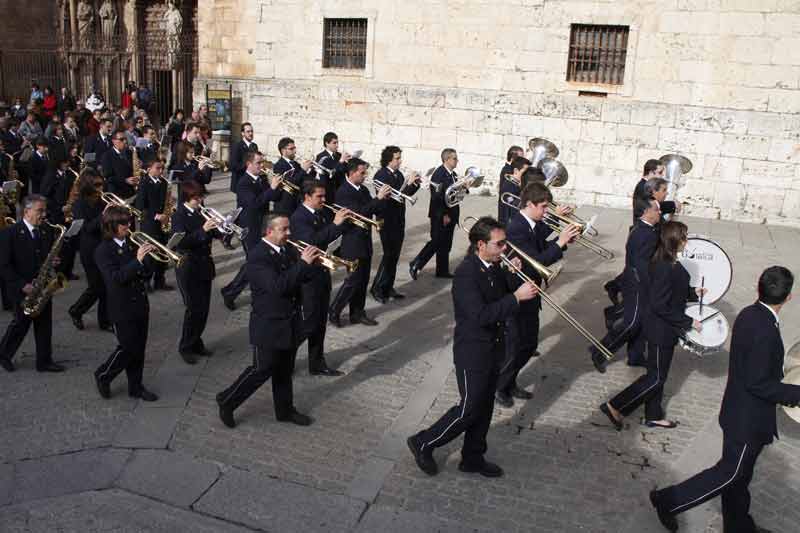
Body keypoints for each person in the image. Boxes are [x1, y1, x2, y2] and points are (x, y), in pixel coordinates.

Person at [649, 266, 797, 533]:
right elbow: (758, 384)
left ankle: (739, 526)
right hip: (747, 420)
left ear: (757, 288)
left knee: (739, 477)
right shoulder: (765, 329)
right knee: (729, 474)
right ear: (789, 298)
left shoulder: (749, 313)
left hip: (737, 411)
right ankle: (667, 501)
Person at [407, 217, 537, 477]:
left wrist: (512, 279)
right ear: (481, 244)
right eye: (499, 244)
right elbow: (480, 315)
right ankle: (424, 441)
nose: (505, 249)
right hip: (472, 352)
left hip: (493, 349)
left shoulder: (495, 266)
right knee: (469, 409)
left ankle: (473, 457)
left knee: (485, 407)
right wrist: (515, 297)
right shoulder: (466, 274)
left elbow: (501, 295)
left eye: (505, 244)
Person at [216, 214, 321, 428]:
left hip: (289, 321)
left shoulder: (287, 250)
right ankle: (227, 402)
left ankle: (285, 411)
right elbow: (277, 287)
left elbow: (297, 280)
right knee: (261, 370)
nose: (289, 233)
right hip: (269, 324)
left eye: (289, 228)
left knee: (284, 369)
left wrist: (313, 266)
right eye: (284, 229)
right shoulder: (257, 257)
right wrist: (302, 264)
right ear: (269, 231)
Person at [600, 221, 703, 433]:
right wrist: (688, 322)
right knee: (656, 377)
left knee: (658, 374)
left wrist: (694, 293)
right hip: (660, 330)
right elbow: (658, 304)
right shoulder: (665, 266)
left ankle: (653, 415)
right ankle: (615, 406)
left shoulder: (669, 261)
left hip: (665, 329)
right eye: (684, 237)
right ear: (676, 240)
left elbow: (673, 290)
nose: (687, 241)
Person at [495, 183, 579, 408]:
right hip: (516, 294)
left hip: (531, 291)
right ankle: (500, 386)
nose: (545, 211)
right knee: (513, 347)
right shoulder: (516, 227)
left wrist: (561, 233)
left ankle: (509, 381)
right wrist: (560, 242)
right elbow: (537, 262)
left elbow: (542, 242)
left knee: (529, 344)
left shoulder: (532, 222)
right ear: (529, 204)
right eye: (543, 207)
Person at [93, 205, 158, 402]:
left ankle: (135, 386)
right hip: (121, 306)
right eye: (123, 223)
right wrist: (137, 261)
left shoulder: (131, 243)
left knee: (140, 348)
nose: (127, 226)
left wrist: (148, 260)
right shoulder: (103, 251)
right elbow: (116, 278)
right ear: (111, 225)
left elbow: (145, 274)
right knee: (127, 348)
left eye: (129, 221)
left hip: (140, 303)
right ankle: (103, 375)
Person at [590, 197, 663, 372]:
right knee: (631, 323)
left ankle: (636, 356)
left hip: (639, 281)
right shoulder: (642, 234)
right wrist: (651, 285)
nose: (660, 212)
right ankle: (599, 351)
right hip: (638, 284)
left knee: (642, 321)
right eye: (657, 209)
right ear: (646, 212)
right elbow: (640, 265)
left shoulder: (647, 228)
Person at [290, 181, 351, 375]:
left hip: (322, 274)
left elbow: (329, 238)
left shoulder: (320, 213)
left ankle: (316, 363)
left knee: (319, 324)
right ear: (307, 197)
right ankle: (284, 358)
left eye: (324, 196)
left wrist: (342, 225)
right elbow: (312, 242)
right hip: (308, 278)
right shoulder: (299, 217)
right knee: (309, 324)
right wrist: (335, 224)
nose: (324, 200)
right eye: (319, 197)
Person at [0, 195, 65, 373]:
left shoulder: (44, 230)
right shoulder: (9, 233)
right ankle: (4, 354)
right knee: (20, 324)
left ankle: (44, 361)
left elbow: (44, 255)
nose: (43, 214)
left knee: (45, 325)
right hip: (22, 288)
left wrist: (52, 261)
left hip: (42, 285)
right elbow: (4, 265)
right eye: (40, 210)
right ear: (26, 211)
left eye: (44, 210)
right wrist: (22, 285)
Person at [328, 158, 390, 327]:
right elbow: (358, 214)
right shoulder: (343, 192)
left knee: (363, 280)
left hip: (365, 240)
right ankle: (334, 310)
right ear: (352, 172)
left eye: (365, 172)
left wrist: (382, 200)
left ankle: (357, 313)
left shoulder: (362, 189)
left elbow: (372, 209)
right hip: (352, 243)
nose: (365, 176)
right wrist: (377, 199)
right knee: (353, 280)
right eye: (362, 173)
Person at [220, 151, 282, 309]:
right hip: (249, 227)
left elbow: (271, 198)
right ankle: (231, 292)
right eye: (259, 163)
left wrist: (277, 187)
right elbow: (254, 203)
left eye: (262, 163)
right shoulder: (243, 183)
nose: (262, 166)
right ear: (249, 164)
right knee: (254, 262)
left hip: (262, 223)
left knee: (254, 262)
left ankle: (230, 290)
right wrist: (271, 189)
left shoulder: (260, 178)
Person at [171, 180, 220, 364]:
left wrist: (223, 228)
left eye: (201, 197)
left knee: (204, 309)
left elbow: (212, 233)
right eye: (197, 198)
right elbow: (180, 242)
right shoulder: (179, 216)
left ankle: (196, 341)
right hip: (189, 266)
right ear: (188, 197)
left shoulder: (201, 212)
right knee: (193, 309)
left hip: (204, 265)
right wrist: (203, 230)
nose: (200, 201)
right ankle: (185, 346)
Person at [369, 145, 420, 303]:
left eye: (399, 157)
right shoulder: (381, 175)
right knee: (388, 255)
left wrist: (415, 184)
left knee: (395, 256)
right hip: (386, 219)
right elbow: (394, 196)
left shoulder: (397, 174)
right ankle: (376, 288)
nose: (400, 161)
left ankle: (388, 287)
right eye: (397, 158)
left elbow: (404, 195)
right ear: (388, 159)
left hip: (398, 219)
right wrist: (407, 183)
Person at [68, 170, 112, 332]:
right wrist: (104, 214)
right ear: (88, 185)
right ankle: (76, 310)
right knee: (96, 286)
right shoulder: (79, 204)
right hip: (89, 248)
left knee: (106, 285)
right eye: (97, 185)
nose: (101, 188)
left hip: (104, 245)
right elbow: (87, 228)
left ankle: (105, 321)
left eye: (102, 184)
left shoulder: (101, 200)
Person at [409, 148, 460, 280]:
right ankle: (416, 263)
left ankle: (442, 270)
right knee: (436, 241)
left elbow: (455, 193)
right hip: (440, 215)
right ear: (447, 159)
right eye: (454, 158)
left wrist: (464, 187)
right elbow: (437, 197)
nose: (457, 161)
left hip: (451, 213)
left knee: (446, 243)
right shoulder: (439, 174)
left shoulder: (452, 174)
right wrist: (444, 215)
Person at [134, 159, 173, 292]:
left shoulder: (163, 183)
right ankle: (145, 281)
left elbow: (166, 202)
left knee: (162, 251)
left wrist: (168, 212)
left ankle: (160, 280)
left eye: (162, 168)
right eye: (158, 168)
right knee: (150, 254)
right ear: (149, 169)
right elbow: (140, 206)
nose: (161, 171)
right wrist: (155, 215)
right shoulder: (144, 183)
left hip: (162, 222)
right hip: (149, 223)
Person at [40, 157, 78, 280]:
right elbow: (45, 197)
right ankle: (59, 272)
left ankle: (68, 271)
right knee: (59, 245)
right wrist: (60, 208)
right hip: (56, 215)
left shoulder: (68, 174)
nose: (67, 164)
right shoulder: (50, 176)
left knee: (70, 243)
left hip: (69, 212)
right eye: (64, 161)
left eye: (67, 161)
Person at [273, 137, 312, 215]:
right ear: (283, 151)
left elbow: (305, 179)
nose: (294, 151)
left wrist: (313, 170)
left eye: (294, 148)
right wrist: (303, 170)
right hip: (285, 205)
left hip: (296, 203)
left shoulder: (295, 164)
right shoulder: (279, 165)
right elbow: (290, 183)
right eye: (291, 149)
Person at [314, 131, 350, 206]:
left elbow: (346, 171)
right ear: (327, 143)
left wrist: (350, 162)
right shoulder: (321, 157)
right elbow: (330, 174)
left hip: (340, 191)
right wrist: (341, 161)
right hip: (329, 192)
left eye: (337, 143)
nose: (337, 145)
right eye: (334, 143)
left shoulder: (338, 155)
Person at [101, 130, 138, 199]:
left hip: (130, 192)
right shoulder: (107, 156)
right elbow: (108, 177)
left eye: (125, 139)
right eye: (121, 139)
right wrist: (125, 180)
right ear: (113, 141)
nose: (125, 142)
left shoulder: (129, 153)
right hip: (117, 193)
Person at [228, 122, 257, 194]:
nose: (250, 133)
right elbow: (233, 166)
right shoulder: (237, 146)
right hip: (240, 182)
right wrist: (247, 164)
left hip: (251, 182)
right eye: (248, 131)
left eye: (252, 131)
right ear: (242, 133)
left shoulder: (254, 146)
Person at [497, 146, 524, 224]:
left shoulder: (511, 169)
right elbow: (509, 193)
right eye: (521, 158)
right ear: (513, 158)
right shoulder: (507, 170)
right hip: (508, 213)